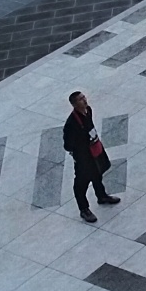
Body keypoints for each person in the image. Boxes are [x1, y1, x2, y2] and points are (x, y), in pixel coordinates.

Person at [62, 91, 120, 223]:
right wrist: (79, 151)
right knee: (81, 183)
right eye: (80, 99)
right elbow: (68, 145)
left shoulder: (88, 111)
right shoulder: (71, 124)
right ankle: (84, 209)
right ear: (74, 104)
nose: (85, 100)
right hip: (83, 157)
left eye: (84, 97)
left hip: (94, 150)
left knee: (97, 174)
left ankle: (102, 196)